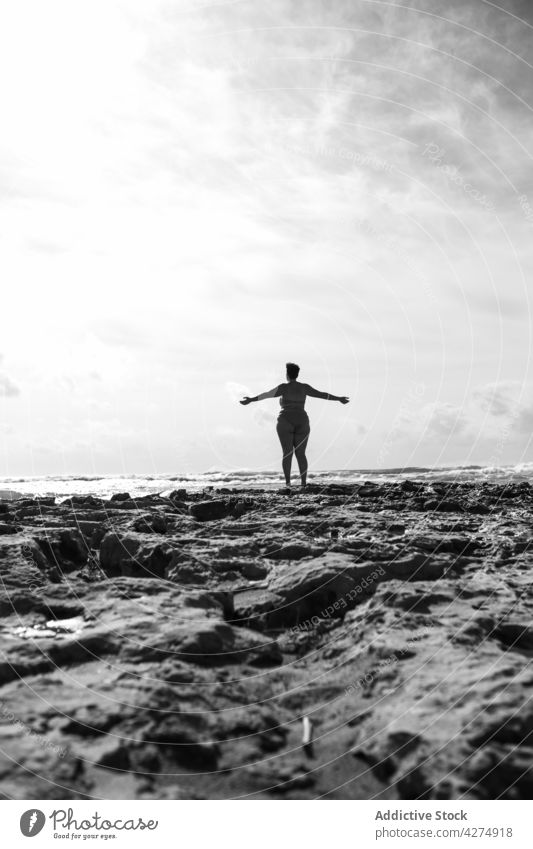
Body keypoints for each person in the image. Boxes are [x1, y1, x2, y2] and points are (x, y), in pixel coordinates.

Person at [240, 362, 349, 491]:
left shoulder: (283, 388)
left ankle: (288, 484)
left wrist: (251, 400)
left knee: (287, 453)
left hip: (286, 420)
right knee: (301, 454)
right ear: (297, 374)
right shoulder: (304, 387)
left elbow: (266, 394)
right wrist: (339, 398)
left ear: (287, 375)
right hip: (302, 420)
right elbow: (322, 394)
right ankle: (303, 483)